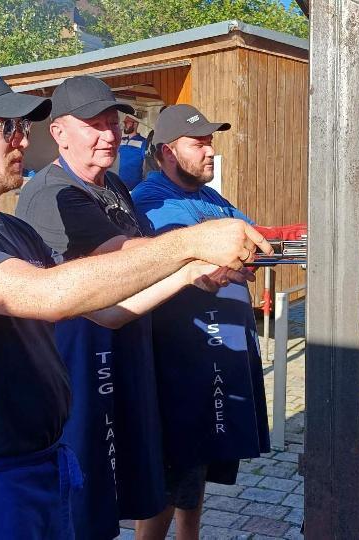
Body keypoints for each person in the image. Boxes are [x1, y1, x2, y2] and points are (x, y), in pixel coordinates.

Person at [0, 57, 271, 539]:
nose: (21, 137)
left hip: (47, 461)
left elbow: (102, 312)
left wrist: (191, 273)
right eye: (4, 125)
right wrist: (190, 242)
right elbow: (48, 296)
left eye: (21, 124)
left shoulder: (16, 232)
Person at [16, 76, 250, 540]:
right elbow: (125, 258)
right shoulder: (52, 193)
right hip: (80, 371)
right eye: (94, 126)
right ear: (59, 132)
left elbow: (146, 269)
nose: (109, 134)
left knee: (130, 487)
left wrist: (195, 271)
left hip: (124, 352)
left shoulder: (116, 188)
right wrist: (196, 251)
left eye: (113, 123)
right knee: (85, 498)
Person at [131, 104, 271, 540]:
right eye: (199, 143)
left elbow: (249, 241)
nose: (210, 151)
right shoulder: (151, 201)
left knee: (196, 479)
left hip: (218, 359)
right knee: (169, 485)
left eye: (211, 141)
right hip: (183, 365)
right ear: (169, 152)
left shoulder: (209, 198)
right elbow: (201, 254)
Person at [118, 115, 148, 190]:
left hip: (136, 184)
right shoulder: (122, 140)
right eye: (124, 122)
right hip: (120, 182)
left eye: (126, 122)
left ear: (135, 124)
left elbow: (146, 164)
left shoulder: (143, 142)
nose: (124, 124)